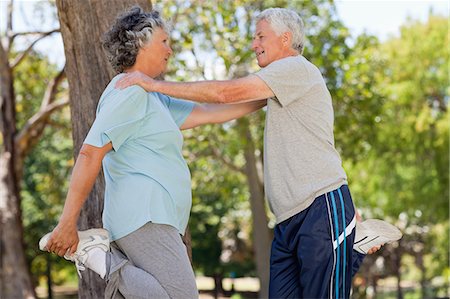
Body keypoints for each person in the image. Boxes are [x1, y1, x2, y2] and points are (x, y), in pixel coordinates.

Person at [116, 7, 402, 298]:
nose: (254, 44)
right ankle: (351, 243)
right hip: (288, 219)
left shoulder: (296, 68)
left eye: (261, 36)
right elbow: (223, 109)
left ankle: (351, 245)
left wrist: (153, 85)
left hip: (320, 208)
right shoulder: (277, 86)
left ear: (286, 39)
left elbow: (225, 94)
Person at [39, 6, 267, 299]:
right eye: (164, 42)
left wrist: (266, 95)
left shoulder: (152, 97)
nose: (170, 50)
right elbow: (89, 153)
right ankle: (97, 257)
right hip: (145, 217)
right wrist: (67, 222)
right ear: (140, 44)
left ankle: (101, 258)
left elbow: (212, 111)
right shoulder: (129, 92)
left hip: (152, 219)